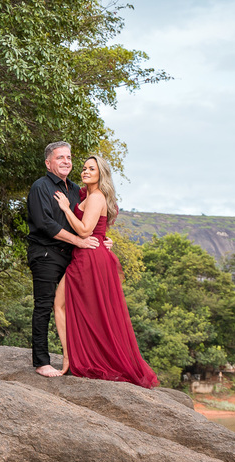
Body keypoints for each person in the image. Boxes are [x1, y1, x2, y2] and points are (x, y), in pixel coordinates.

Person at [51, 155, 159, 387]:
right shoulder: (87, 195)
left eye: (92, 169)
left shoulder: (96, 196)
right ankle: (75, 356)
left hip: (89, 257)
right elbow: (98, 229)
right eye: (84, 168)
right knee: (90, 310)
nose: (85, 171)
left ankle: (71, 358)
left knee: (63, 305)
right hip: (91, 254)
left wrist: (66, 209)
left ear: (101, 173)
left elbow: (84, 230)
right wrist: (105, 239)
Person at [26, 141, 99, 377]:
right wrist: (78, 241)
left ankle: (78, 360)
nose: (66, 161)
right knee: (44, 306)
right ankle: (42, 362)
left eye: (68, 157)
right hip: (46, 254)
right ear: (48, 163)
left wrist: (103, 239)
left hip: (72, 256)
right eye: (60, 158)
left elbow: (88, 221)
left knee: (76, 306)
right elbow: (45, 224)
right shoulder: (40, 187)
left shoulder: (77, 190)